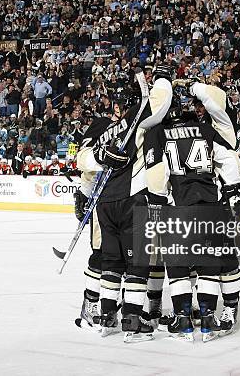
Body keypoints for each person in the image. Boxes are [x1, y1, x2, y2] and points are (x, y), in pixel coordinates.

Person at [75, 66, 172, 342]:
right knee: (137, 263)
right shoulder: (133, 120)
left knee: (112, 262)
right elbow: (162, 99)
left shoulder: (111, 129)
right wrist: (163, 77)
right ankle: (131, 319)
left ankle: (106, 316)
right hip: (130, 201)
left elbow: (83, 159)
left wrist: (98, 157)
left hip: (105, 203)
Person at [143, 83, 240, 342]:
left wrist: (156, 202)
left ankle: (183, 320)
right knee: (208, 263)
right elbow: (229, 159)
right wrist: (233, 191)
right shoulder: (206, 129)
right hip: (210, 205)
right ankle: (209, 318)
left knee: (176, 265)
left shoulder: (159, 133)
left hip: (179, 206)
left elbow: (157, 173)